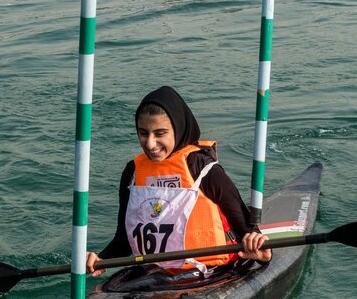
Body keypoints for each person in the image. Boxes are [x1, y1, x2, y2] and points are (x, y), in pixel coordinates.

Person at [85, 86, 271, 279]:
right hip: (154, 274)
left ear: (178, 128)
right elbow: (124, 240)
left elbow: (247, 232)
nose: (150, 143)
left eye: (160, 133)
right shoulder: (132, 172)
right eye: (143, 133)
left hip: (211, 273)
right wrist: (99, 259)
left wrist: (263, 254)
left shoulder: (206, 171)